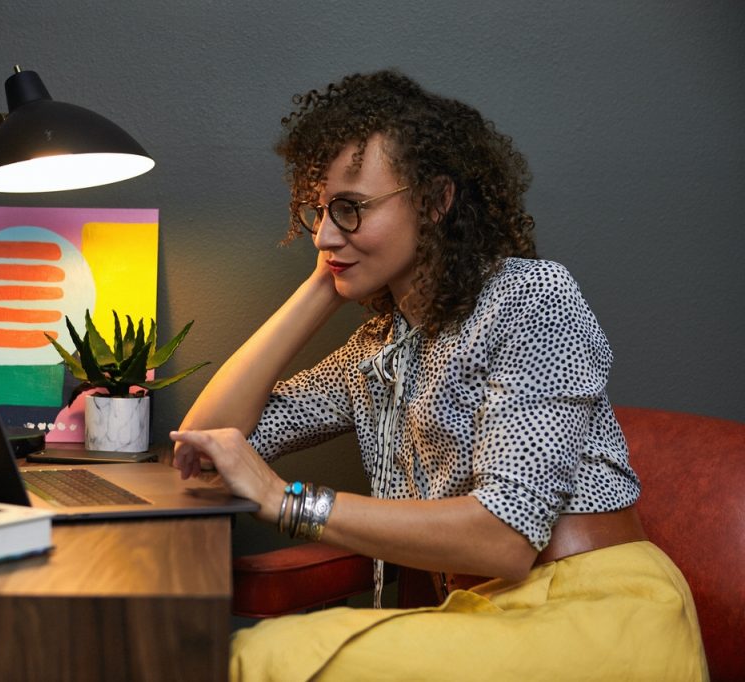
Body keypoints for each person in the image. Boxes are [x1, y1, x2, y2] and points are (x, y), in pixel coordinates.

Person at [169, 70, 707, 681]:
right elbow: (206, 446)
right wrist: (323, 284)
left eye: (350, 208)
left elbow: (504, 539)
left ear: (435, 200)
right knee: (260, 650)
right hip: (485, 614)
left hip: (598, 610)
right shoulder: (378, 349)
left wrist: (284, 500)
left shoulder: (533, 299)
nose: (322, 233)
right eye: (318, 211)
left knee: (267, 655)